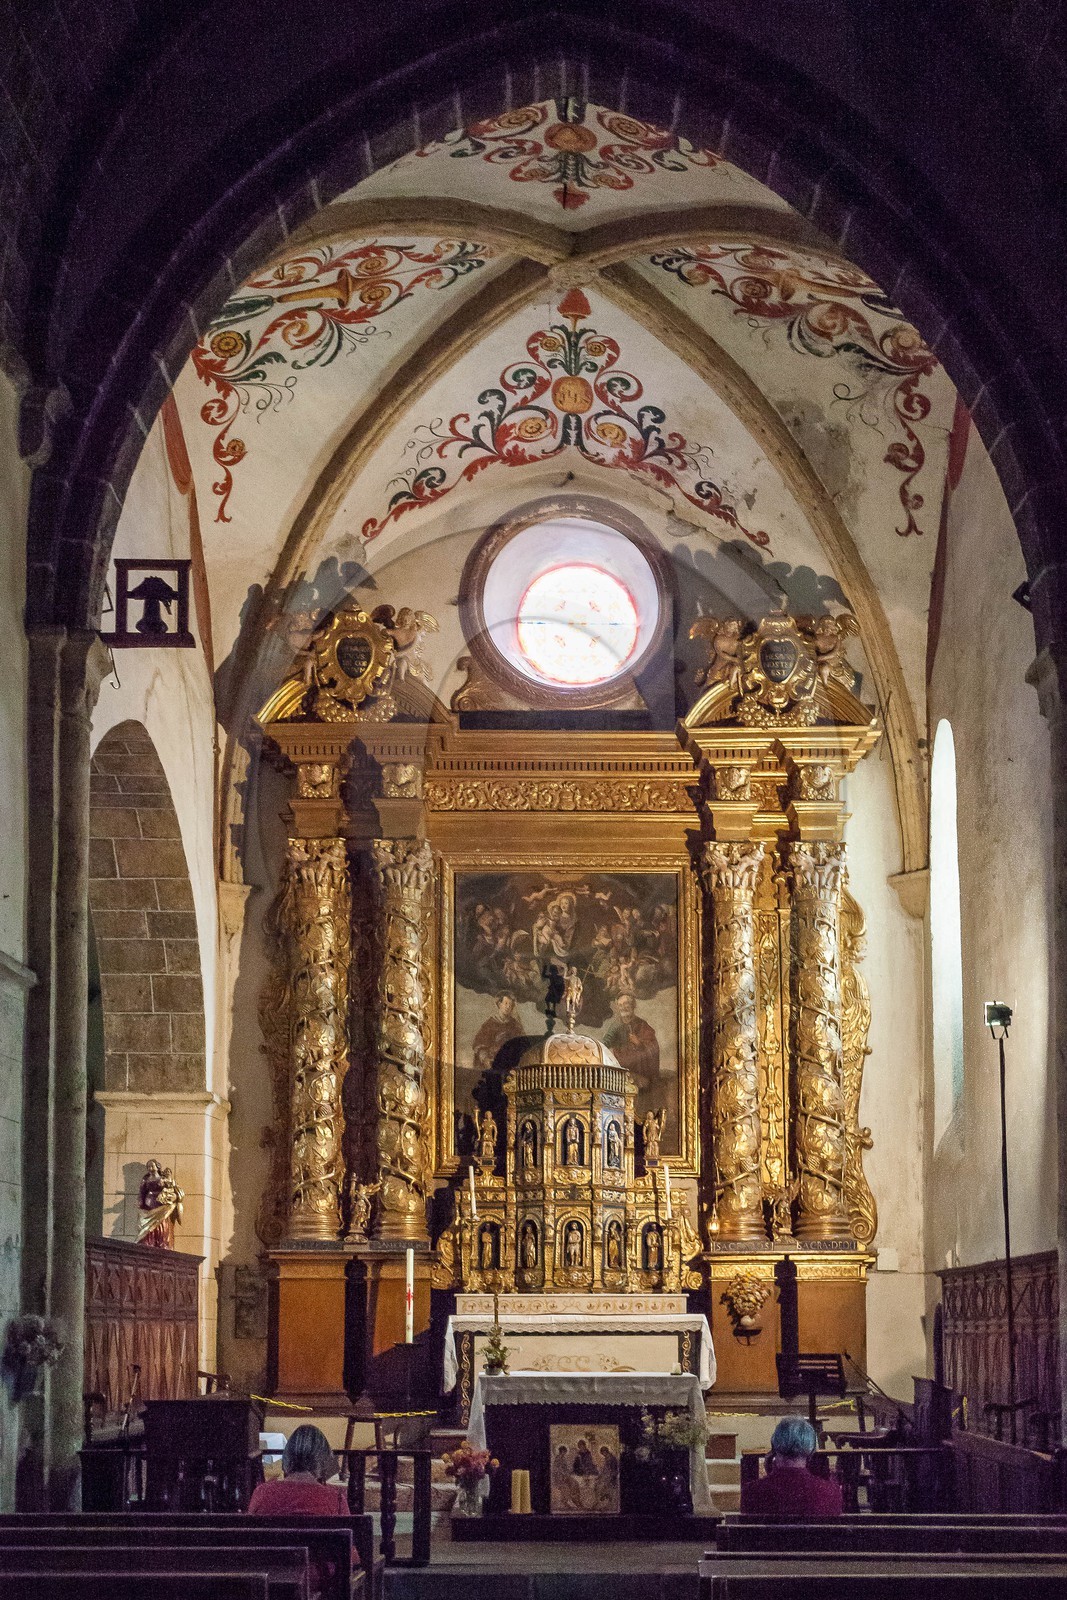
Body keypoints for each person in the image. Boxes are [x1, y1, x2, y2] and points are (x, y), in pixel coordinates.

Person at [739, 1417, 843, 1516]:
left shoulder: (752, 1492)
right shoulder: (830, 1492)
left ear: (773, 1449)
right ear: (811, 1452)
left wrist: (771, 1474)